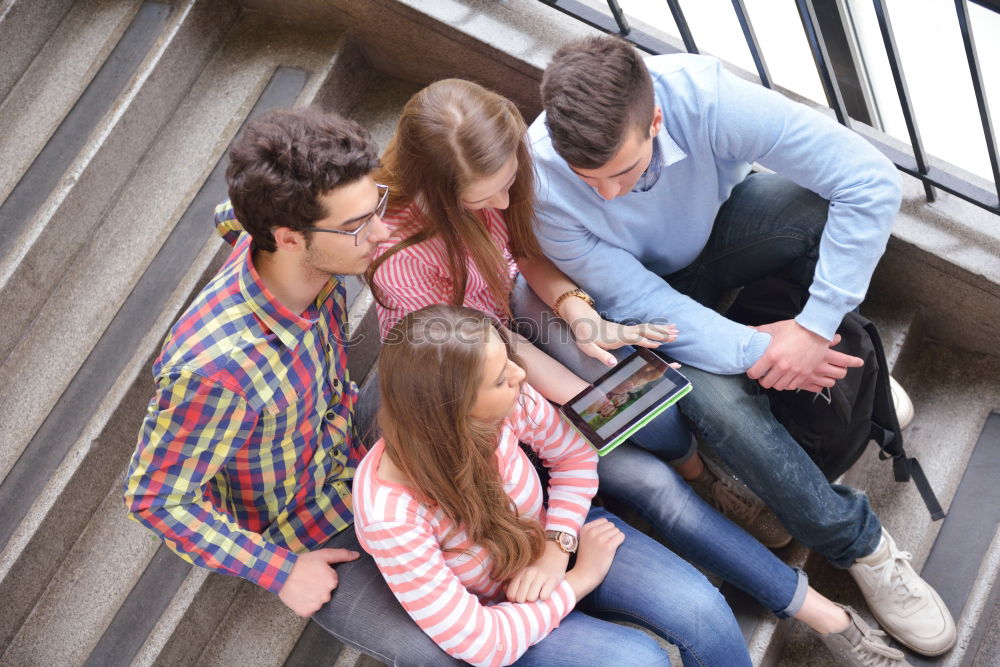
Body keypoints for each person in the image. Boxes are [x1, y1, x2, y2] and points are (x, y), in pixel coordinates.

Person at [527, 34, 955, 657]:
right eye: (589, 180)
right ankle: (862, 546)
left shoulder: (704, 95)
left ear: (656, 120)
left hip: (722, 231)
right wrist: (757, 352)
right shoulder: (544, 180)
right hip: (647, 312)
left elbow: (869, 181)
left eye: (623, 171)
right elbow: (644, 303)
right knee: (715, 403)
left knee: (814, 208)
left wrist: (810, 331)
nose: (608, 196)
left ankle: (833, 371)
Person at [354, 304, 907, 667]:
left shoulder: (506, 407)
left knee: (704, 611)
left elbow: (572, 455)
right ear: (454, 411)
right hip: (504, 615)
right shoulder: (391, 513)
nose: (523, 379)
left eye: (510, 363)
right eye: (502, 378)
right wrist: (576, 582)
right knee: (637, 660)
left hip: (554, 541)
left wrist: (559, 545)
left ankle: (824, 616)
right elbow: (478, 640)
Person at [367, 77, 791, 548]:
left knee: (634, 390)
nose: (505, 203)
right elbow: (488, 348)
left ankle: (694, 465)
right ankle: (690, 477)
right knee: (637, 447)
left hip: (511, 309)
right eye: (482, 199)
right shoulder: (398, 260)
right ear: (439, 191)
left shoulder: (497, 169)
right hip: (469, 369)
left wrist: (579, 312)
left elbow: (526, 256)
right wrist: (593, 398)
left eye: (509, 184)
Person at [123, 107, 458, 664]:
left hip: (351, 433)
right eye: (356, 226)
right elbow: (154, 496)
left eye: (374, 203)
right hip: (309, 525)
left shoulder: (281, 230)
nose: (380, 230)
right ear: (288, 239)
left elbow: (230, 213)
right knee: (438, 654)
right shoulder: (214, 370)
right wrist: (278, 571)